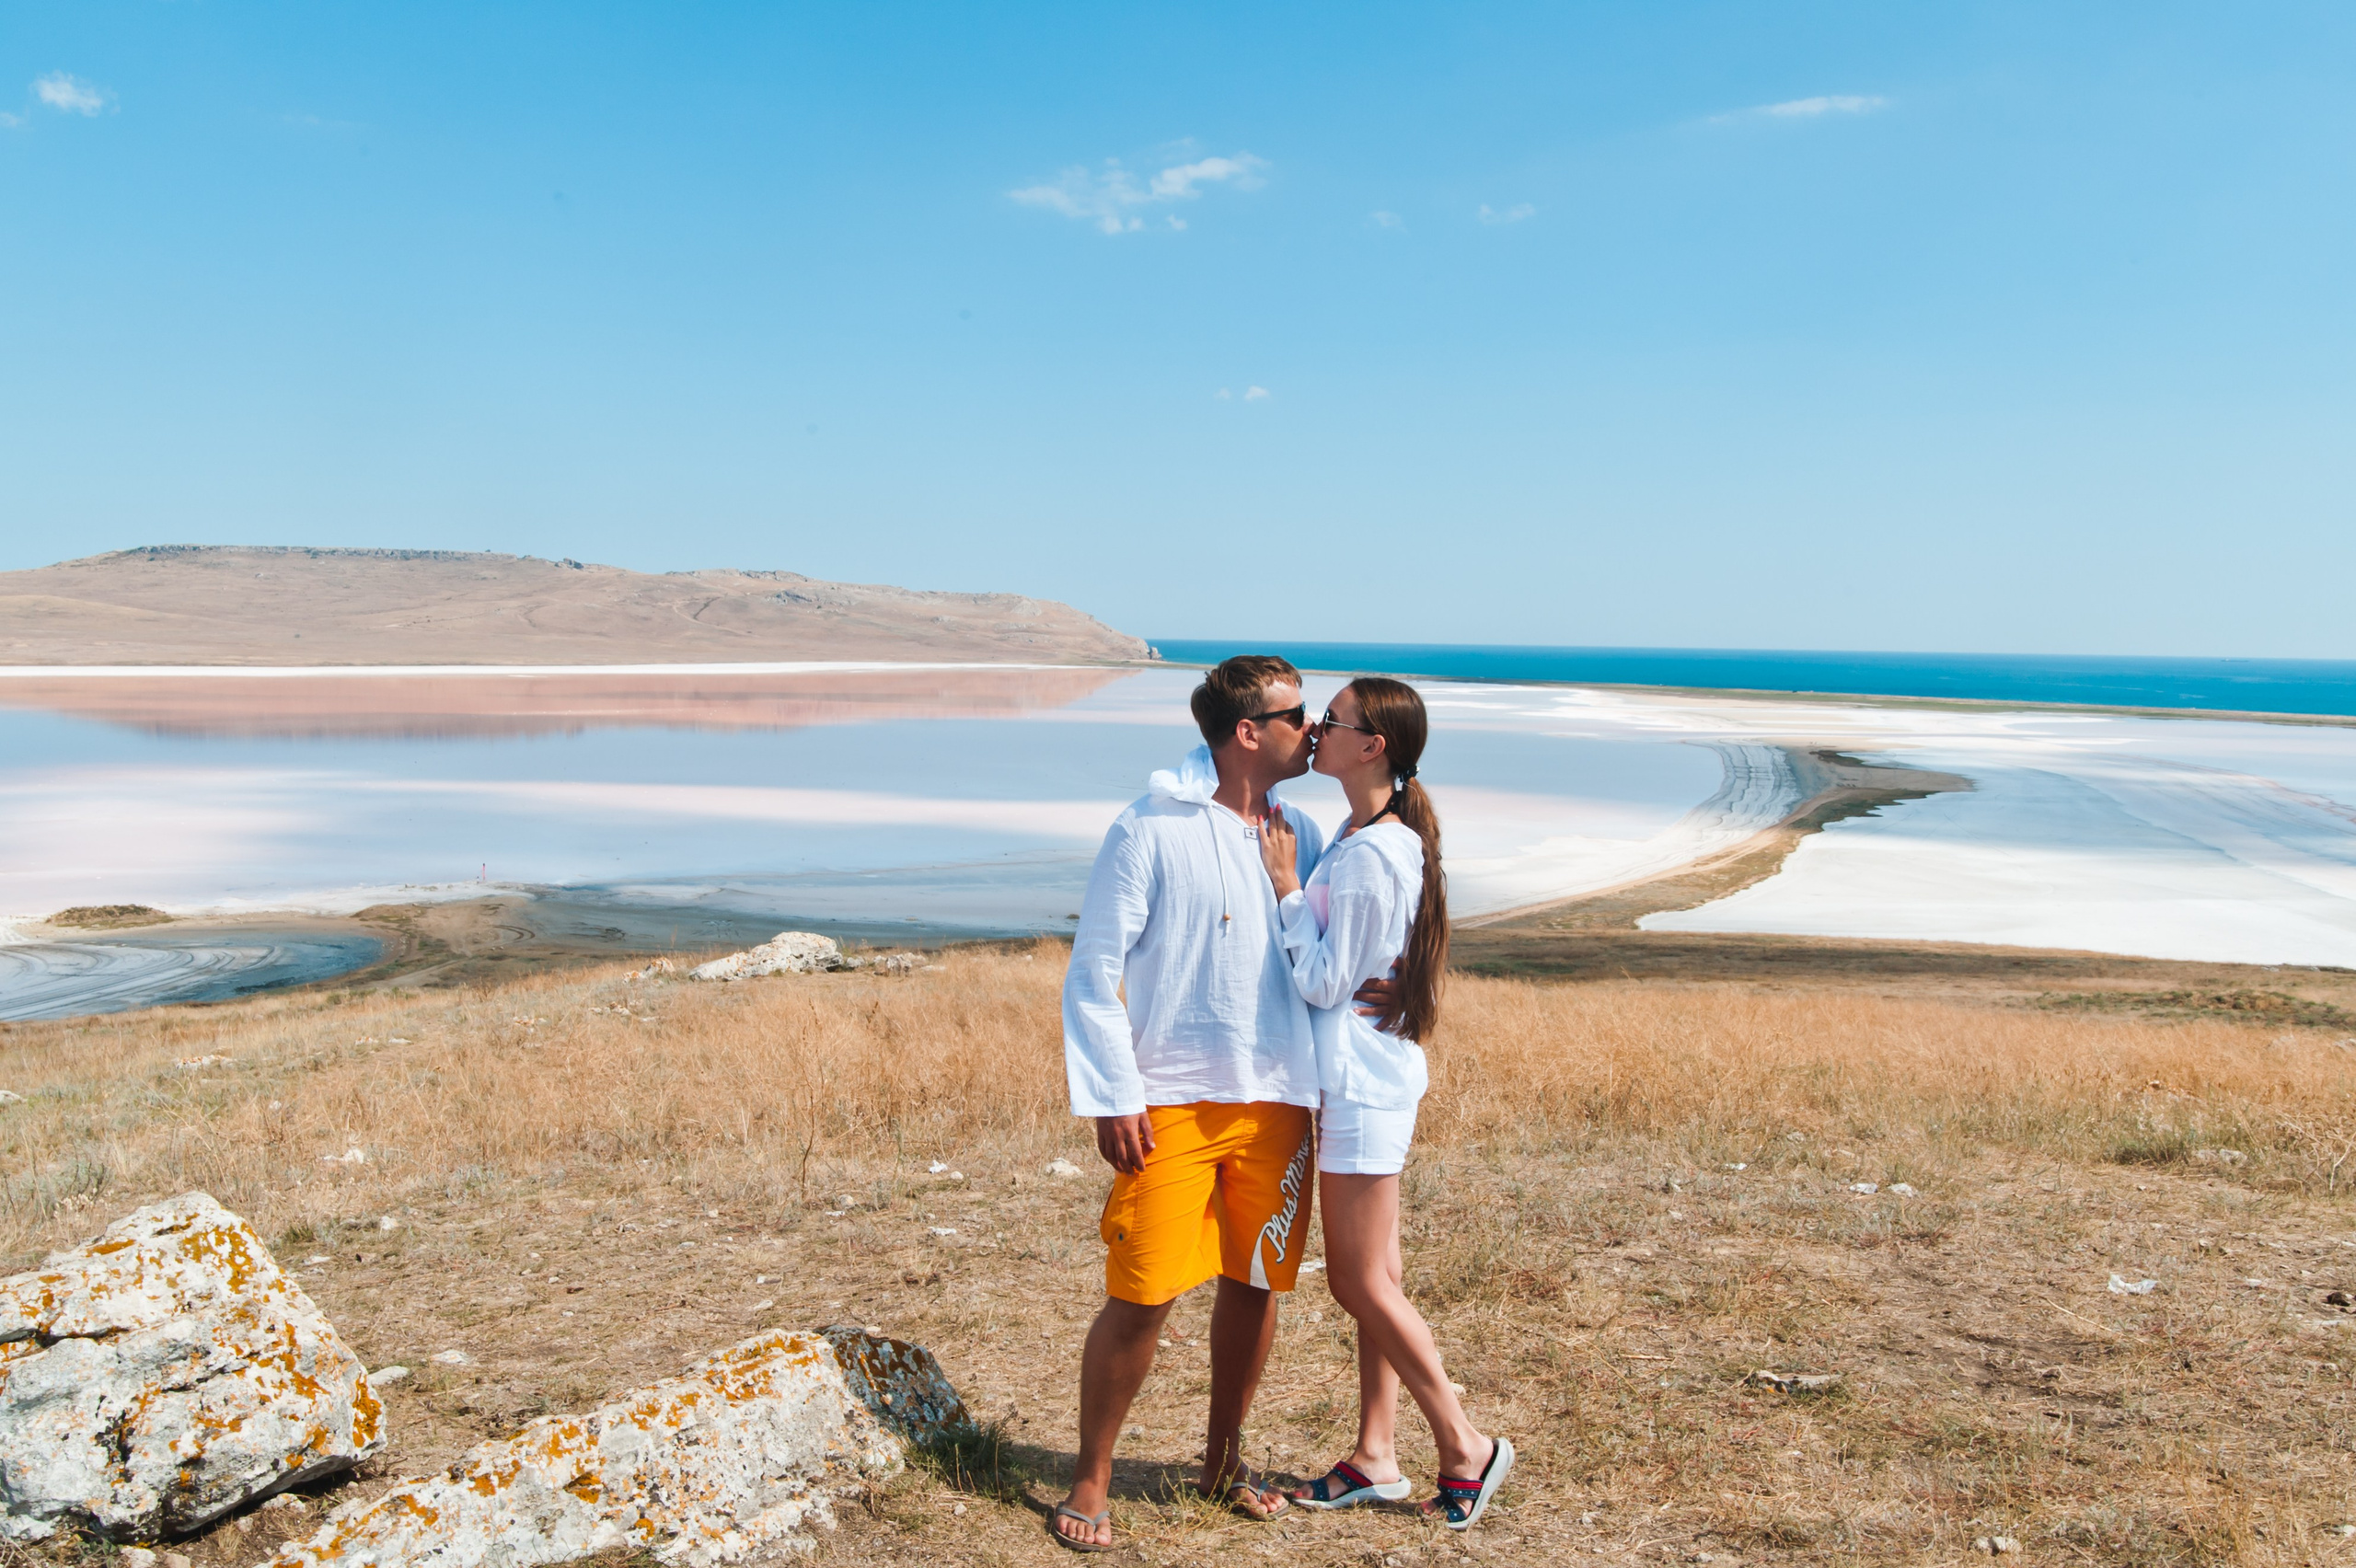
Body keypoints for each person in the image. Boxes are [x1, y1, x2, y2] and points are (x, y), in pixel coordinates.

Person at [1051, 654, 1330, 1552]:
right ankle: (1090, 1476)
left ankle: (1221, 1462)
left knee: (1255, 1285)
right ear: (1248, 732)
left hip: (1279, 1100)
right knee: (1143, 1293)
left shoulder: (1305, 830)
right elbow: (1094, 970)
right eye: (1297, 717)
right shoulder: (1148, 827)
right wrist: (1110, 1092)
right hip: (1167, 1098)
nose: (1312, 729)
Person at [1255, 676, 1514, 1531]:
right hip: (1363, 1076)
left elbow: (1330, 982)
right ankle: (1376, 1454)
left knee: (1360, 1282)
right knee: (1381, 1279)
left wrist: (1288, 889)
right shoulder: (1361, 834)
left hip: (1361, 1085)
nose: (1317, 730)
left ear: (1373, 747)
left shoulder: (1369, 853)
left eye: (1333, 722)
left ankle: (1464, 1444)